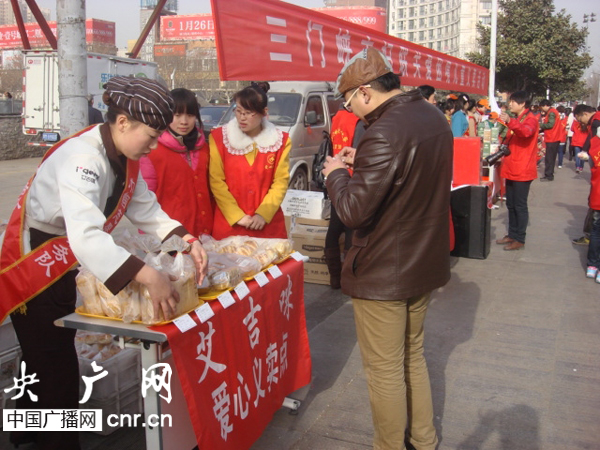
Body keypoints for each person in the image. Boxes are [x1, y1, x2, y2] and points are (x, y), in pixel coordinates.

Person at [0, 76, 208, 450]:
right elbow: (86, 235)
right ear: (123, 122)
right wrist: (149, 275)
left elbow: (145, 208)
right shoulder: (85, 159)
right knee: (56, 370)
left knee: (42, 356)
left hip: (62, 257)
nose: (154, 145)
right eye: (151, 136)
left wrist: (186, 239)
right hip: (39, 261)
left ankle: (23, 431)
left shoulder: (122, 153)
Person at [322, 48, 452, 450]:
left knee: (384, 370)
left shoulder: (383, 131)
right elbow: (409, 175)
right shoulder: (432, 116)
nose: (351, 112)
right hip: (423, 260)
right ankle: (424, 440)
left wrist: (336, 174)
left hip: (384, 269)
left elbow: (352, 211)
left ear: (365, 91)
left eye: (349, 103)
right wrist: (362, 161)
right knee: (413, 355)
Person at [209, 82, 291, 239]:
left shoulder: (280, 141)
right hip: (230, 224)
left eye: (248, 113)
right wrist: (236, 215)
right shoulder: (219, 138)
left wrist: (263, 214)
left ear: (264, 112)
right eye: (238, 111)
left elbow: (281, 182)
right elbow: (216, 181)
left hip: (267, 224)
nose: (242, 118)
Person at [140, 88, 213, 237]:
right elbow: (143, 200)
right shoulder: (151, 151)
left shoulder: (205, 148)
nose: (184, 122)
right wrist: (147, 237)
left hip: (205, 232)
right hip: (170, 233)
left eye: (190, 115)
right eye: (177, 115)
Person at [325, 107, 364, 289]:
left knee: (334, 227)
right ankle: (347, 278)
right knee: (350, 228)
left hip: (335, 175)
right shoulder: (359, 120)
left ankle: (334, 277)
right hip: (351, 177)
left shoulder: (337, 117)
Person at [496, 91, 539, 251]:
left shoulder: (530, 119)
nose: (510, 104)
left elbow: (525, 132)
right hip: (512, 166)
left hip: (522, 169)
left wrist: (510, 121)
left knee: (519, 205)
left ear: (522, 104)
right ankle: (512, 234)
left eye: (513, 102)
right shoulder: (518, 118)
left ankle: (520, 238)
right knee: (511, 204)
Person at [573, 104, 600, 280]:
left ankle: (592, 265)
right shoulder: (596, 122)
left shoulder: (596, 126)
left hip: (597, 190)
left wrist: (588, 155)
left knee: (597, 230)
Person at [539, 99, 561, 181]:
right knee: (551, 158)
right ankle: (549, 173)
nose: (542, 109)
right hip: (554, 137)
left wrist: (540, 125)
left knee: (549, 158)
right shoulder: (553, 111)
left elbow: (550, 124)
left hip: (552, 137)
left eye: (542, 107)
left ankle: (548, 175)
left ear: (545, 105)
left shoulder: (551, 113)